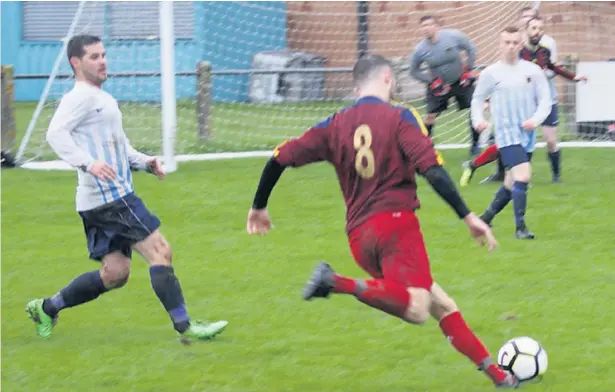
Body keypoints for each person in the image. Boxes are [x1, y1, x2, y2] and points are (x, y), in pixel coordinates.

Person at [245, 54, 519, 388]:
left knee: (441, 305)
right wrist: (468, 216)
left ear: (357, 85)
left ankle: (500, 377)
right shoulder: (401, 116)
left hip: (360, 238)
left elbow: (279, 157)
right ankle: (335, 281)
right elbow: (432, 169)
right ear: (388, 78)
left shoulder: (335, 124)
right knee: (418, 309)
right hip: (396, 226)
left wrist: (259, 205)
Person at [25, 34, 228, 344]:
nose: (103, 60)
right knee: (160, 251)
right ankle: (186, 326)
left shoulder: (101, 98)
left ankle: (47, 307)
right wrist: (88, 163)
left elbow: (118, 147)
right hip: (112, 198)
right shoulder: (79, 97)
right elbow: (55, 134)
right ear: (76, 63)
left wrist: (143, 161)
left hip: (96, 200)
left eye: (103, 54)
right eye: (94, 56)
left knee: (116, 274)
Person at [460, 16, 586, 186]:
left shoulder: (544, 52)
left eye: (540, 28)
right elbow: (504, 81)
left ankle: (554, 177)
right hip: (520, 104)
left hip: (543, 101)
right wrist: (489, 101)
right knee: (507, 142)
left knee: (547, 140)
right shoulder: (517, 54)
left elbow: (554, 67)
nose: (537, 32)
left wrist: (573, 77)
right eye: (533, 28)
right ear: (526, 32)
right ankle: (504, 174)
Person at [471, 26, 552, 239]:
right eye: (506, 42)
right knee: (523, 176)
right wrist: (478, 120)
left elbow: (545, 99)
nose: (511, 46)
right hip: (506, 135)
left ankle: (486, 218)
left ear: (521, 44)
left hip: (528, 134)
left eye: (515, 42)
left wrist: (535, 120)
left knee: (510, 182)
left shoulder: (532, 71)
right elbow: (477, 99)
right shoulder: (491, 73)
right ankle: (520, 228)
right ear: (500, 44)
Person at [409, 15, 481, 156]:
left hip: (460, 80)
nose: (426, 28)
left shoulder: (454, 36)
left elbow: (471, 48)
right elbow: (414, 71)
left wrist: (469, 68)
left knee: (474, 109)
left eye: (429, 25)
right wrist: (431, 81)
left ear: (437, 27)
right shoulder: (420, 50)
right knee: (430, 116)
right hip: (439, 86)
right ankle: (425, 147)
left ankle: (475, 144)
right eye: (423, 26)